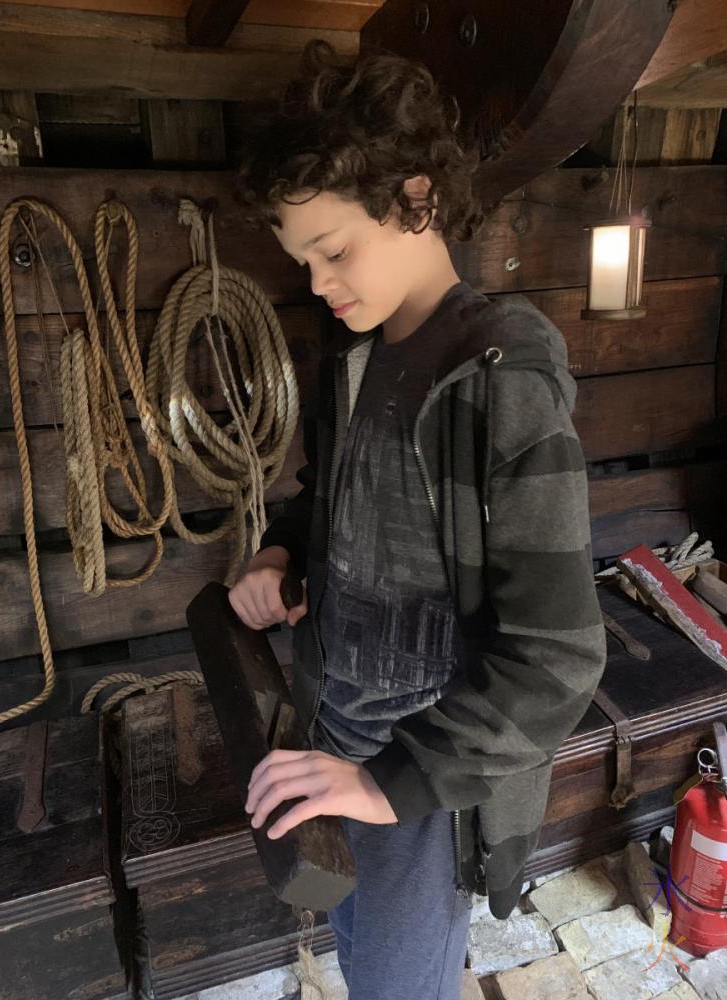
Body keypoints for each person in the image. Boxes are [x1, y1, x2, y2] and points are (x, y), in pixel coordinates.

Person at [228, 39, 607, 1000]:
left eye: (333, 250)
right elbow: (333, 494)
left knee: (403, 984)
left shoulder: (502, 379)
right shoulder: (352, 360)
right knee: (361, 955)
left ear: (418, 199)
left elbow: (557, 654)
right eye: (302, 260)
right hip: (334, 732)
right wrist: (282, 548)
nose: (318, 283)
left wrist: (385, 786)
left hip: (423, 779)